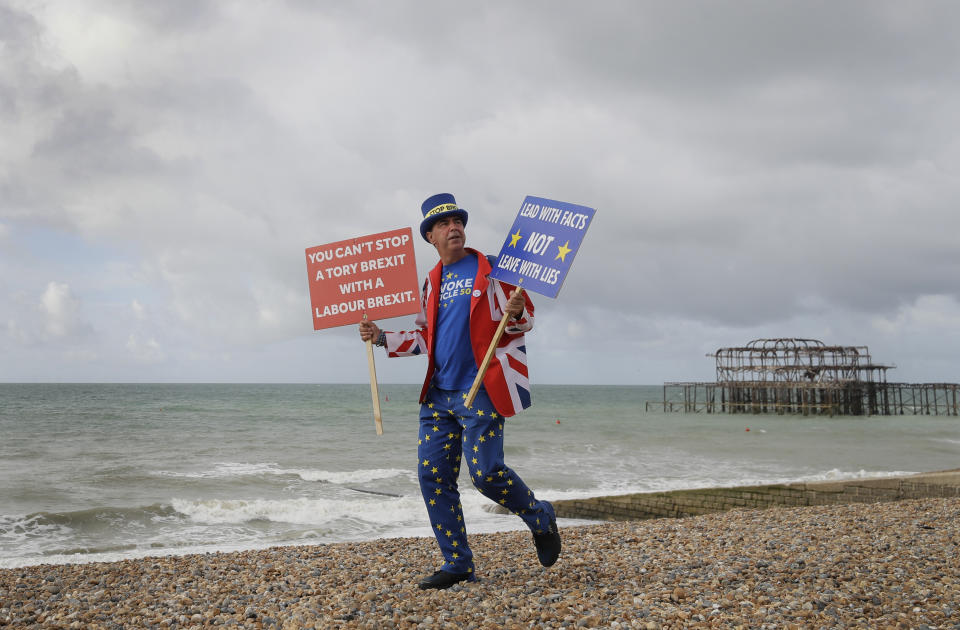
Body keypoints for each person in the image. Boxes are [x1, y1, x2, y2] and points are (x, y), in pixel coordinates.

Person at [358, 192, 561, 590]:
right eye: (444, 224)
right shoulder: (431, 281)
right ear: (430, 236)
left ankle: (540, 517)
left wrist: (517, 311)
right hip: (438, 395)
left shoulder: (494, 270)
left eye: (458, 221)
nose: (454, 227)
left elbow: (525, 320)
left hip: (482, 388)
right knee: (432, 477)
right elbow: (423, 337)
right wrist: (381, 337)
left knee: (485, 474)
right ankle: (457, 563)